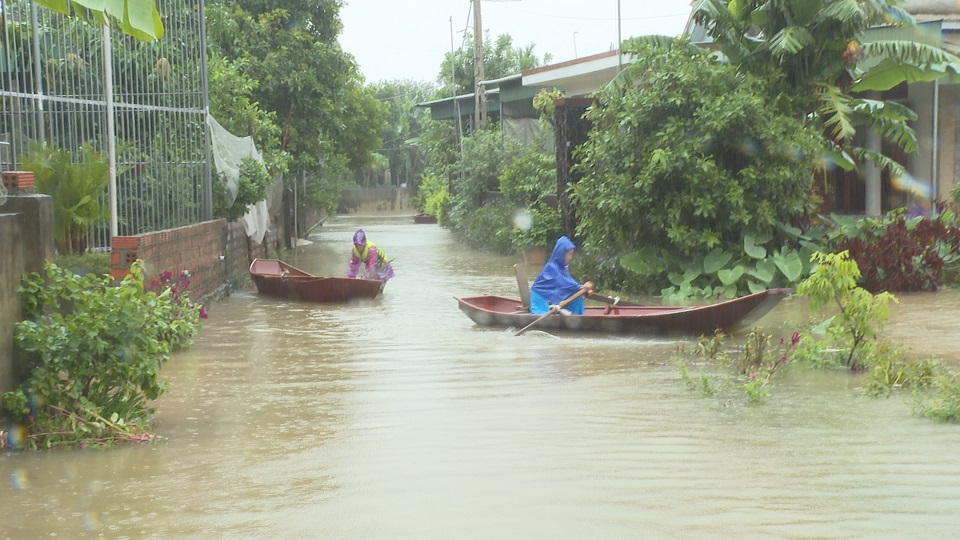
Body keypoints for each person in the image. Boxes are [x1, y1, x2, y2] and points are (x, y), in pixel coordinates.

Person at [529, 235, 593, 315]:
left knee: (576, 295)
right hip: (541, 300)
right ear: (561, 253)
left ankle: (577, 317)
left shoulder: (562, 268)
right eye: (569, 254)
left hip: (551, 297)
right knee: (575, 291)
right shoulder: (551, 267)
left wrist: (583, 289)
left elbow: (570, 281)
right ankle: (576, 319)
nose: (571, 257)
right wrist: (581, 287)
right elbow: (563, 283)